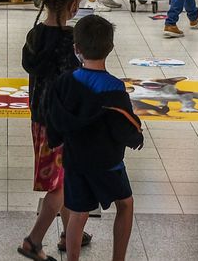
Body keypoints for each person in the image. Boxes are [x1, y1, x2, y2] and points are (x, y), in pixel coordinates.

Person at [44, 15, 143, 261]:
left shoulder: (65, 82)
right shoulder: (114, 88)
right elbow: (124, 128)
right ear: (110, 47)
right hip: (108, 163)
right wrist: (135, 138)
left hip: (75, 160)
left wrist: (55, 139)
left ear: (76, 48)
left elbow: (54, 118)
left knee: (78, 213)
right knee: (125, 204)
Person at [18, 0, 87, 260]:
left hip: (39, 120)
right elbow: (73, 83)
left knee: (63, 177)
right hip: (60, 124)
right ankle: (33, 241)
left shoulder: (35, 35)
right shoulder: (68, 42)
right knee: (60, 186)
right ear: (72, 6)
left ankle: (71, 231)